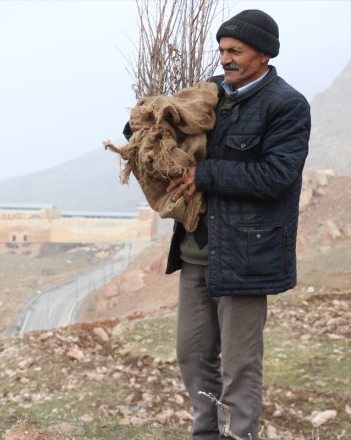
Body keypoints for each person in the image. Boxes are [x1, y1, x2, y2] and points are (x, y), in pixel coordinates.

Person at [123, 9, 310, 440]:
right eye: (222, 49)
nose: (225, 59)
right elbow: (168, 130)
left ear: (263, 54)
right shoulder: (209, 94)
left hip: (246, 259)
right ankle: (205, 434)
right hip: (196, 252)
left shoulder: (286, 105)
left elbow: (276, 176)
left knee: (241, 364)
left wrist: (205, 175)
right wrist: (138, 122)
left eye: (235, 51)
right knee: (192, 355)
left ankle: (239, 435)